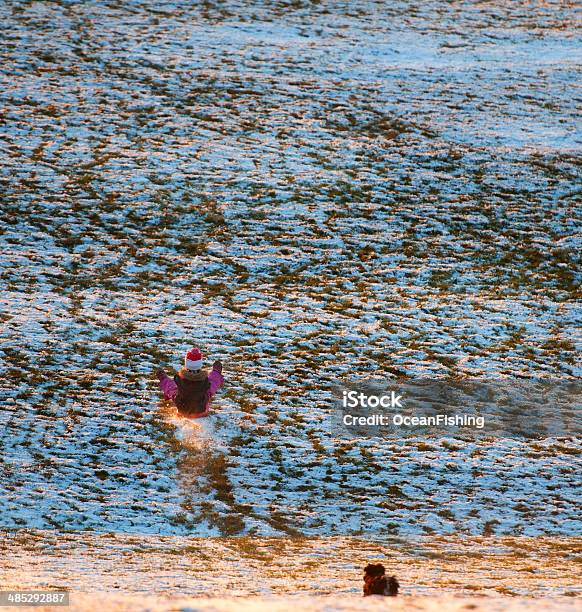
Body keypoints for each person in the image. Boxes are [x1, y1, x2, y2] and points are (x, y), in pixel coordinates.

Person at [156, 347, 224, 418]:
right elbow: (213, 383)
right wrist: (216, 372)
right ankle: (216, 372)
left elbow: (171, 388)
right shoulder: (204, 381)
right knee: (209, 391)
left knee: (173, 390)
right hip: (201, 412)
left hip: (183, 411)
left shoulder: (180, 379)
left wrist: (163, 379)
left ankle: (164, 379)